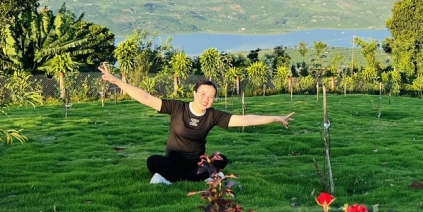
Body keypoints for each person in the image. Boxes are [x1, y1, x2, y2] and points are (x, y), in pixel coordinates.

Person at [98, 63, 293, 184]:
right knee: (153, 161)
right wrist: (117, 81)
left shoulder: (213, 115)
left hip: (197, 162)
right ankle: (197, 179)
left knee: (220, 160)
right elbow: (146, 97)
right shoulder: (177, 108)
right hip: (173, 160)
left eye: (211, 96)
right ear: (194, 93)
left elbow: (245, 119)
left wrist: (275, 117)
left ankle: (171, 180)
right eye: (203, 94)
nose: (206, 99)